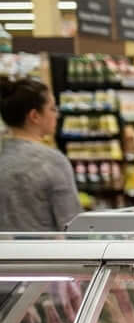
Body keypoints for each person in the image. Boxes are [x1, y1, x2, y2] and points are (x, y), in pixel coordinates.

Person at [0, 77, 79, 230]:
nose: (56, 114)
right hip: (43, 252)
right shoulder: (52, 161)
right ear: (34, 116)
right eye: (52, 108)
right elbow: (73, 226)